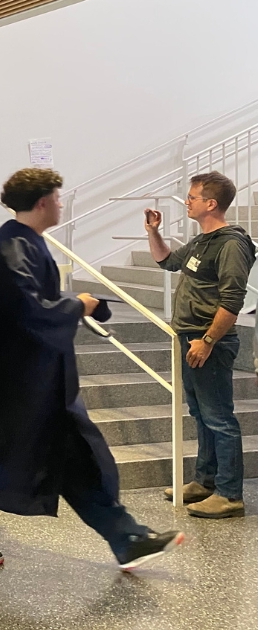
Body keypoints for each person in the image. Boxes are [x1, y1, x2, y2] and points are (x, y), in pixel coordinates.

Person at [0, 168, 184, 570]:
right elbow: (31, 311)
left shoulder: (25, 243)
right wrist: (80, 305)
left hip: (43, 384)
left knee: (80, 460)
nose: (60, 203)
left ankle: (127, 539)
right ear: (42, 202)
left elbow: (37, 302)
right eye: (57, 198)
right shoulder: (12, 246)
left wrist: (81, 302)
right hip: (16, 386)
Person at [147, 171, 256, 519]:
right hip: (190, 339)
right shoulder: (202, 240)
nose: (187, 202)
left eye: (192, 197)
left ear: (211, 203)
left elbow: (232, 301)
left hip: (209, 342)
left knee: (219, 418)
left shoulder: (231, 244)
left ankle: (229, 494)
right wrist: (154, 232)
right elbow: (167, 261)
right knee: (200, 414)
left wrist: (208, 340)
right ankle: (205, 481)